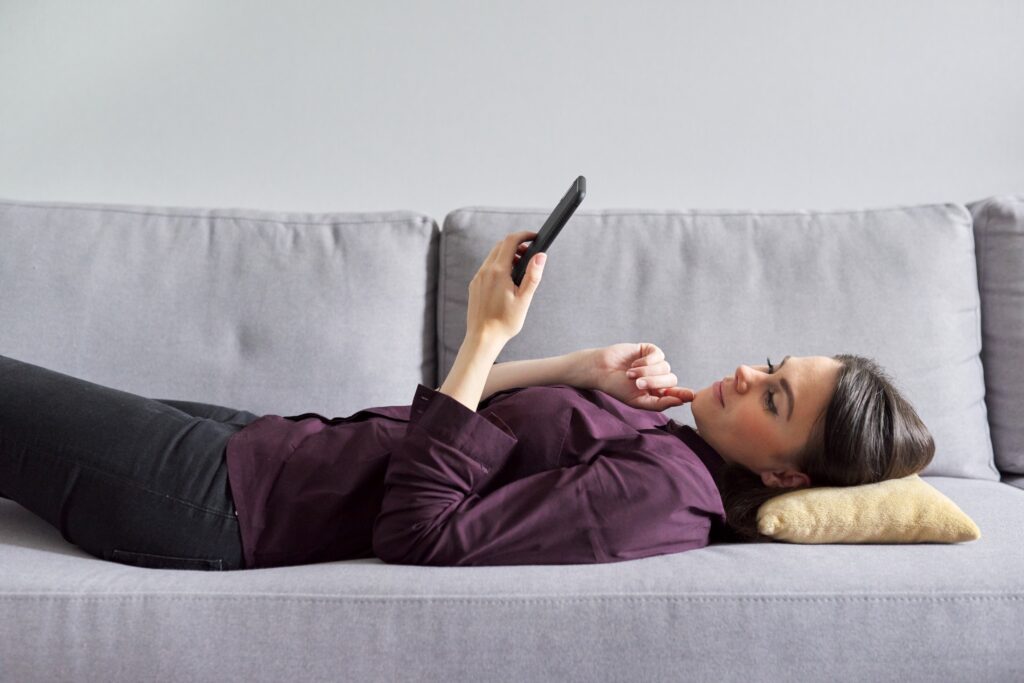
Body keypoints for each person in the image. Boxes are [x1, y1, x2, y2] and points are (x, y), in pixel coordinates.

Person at [0, 231, 935, 570]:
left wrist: (489, 337)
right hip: (267, 449)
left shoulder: (662, 496)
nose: (742, 373)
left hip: (228, 503)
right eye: (771, 363)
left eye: (771, 396)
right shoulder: (669, 446)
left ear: (782, 469)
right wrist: (574, 368)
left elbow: (422, 530)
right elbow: (453, 429)